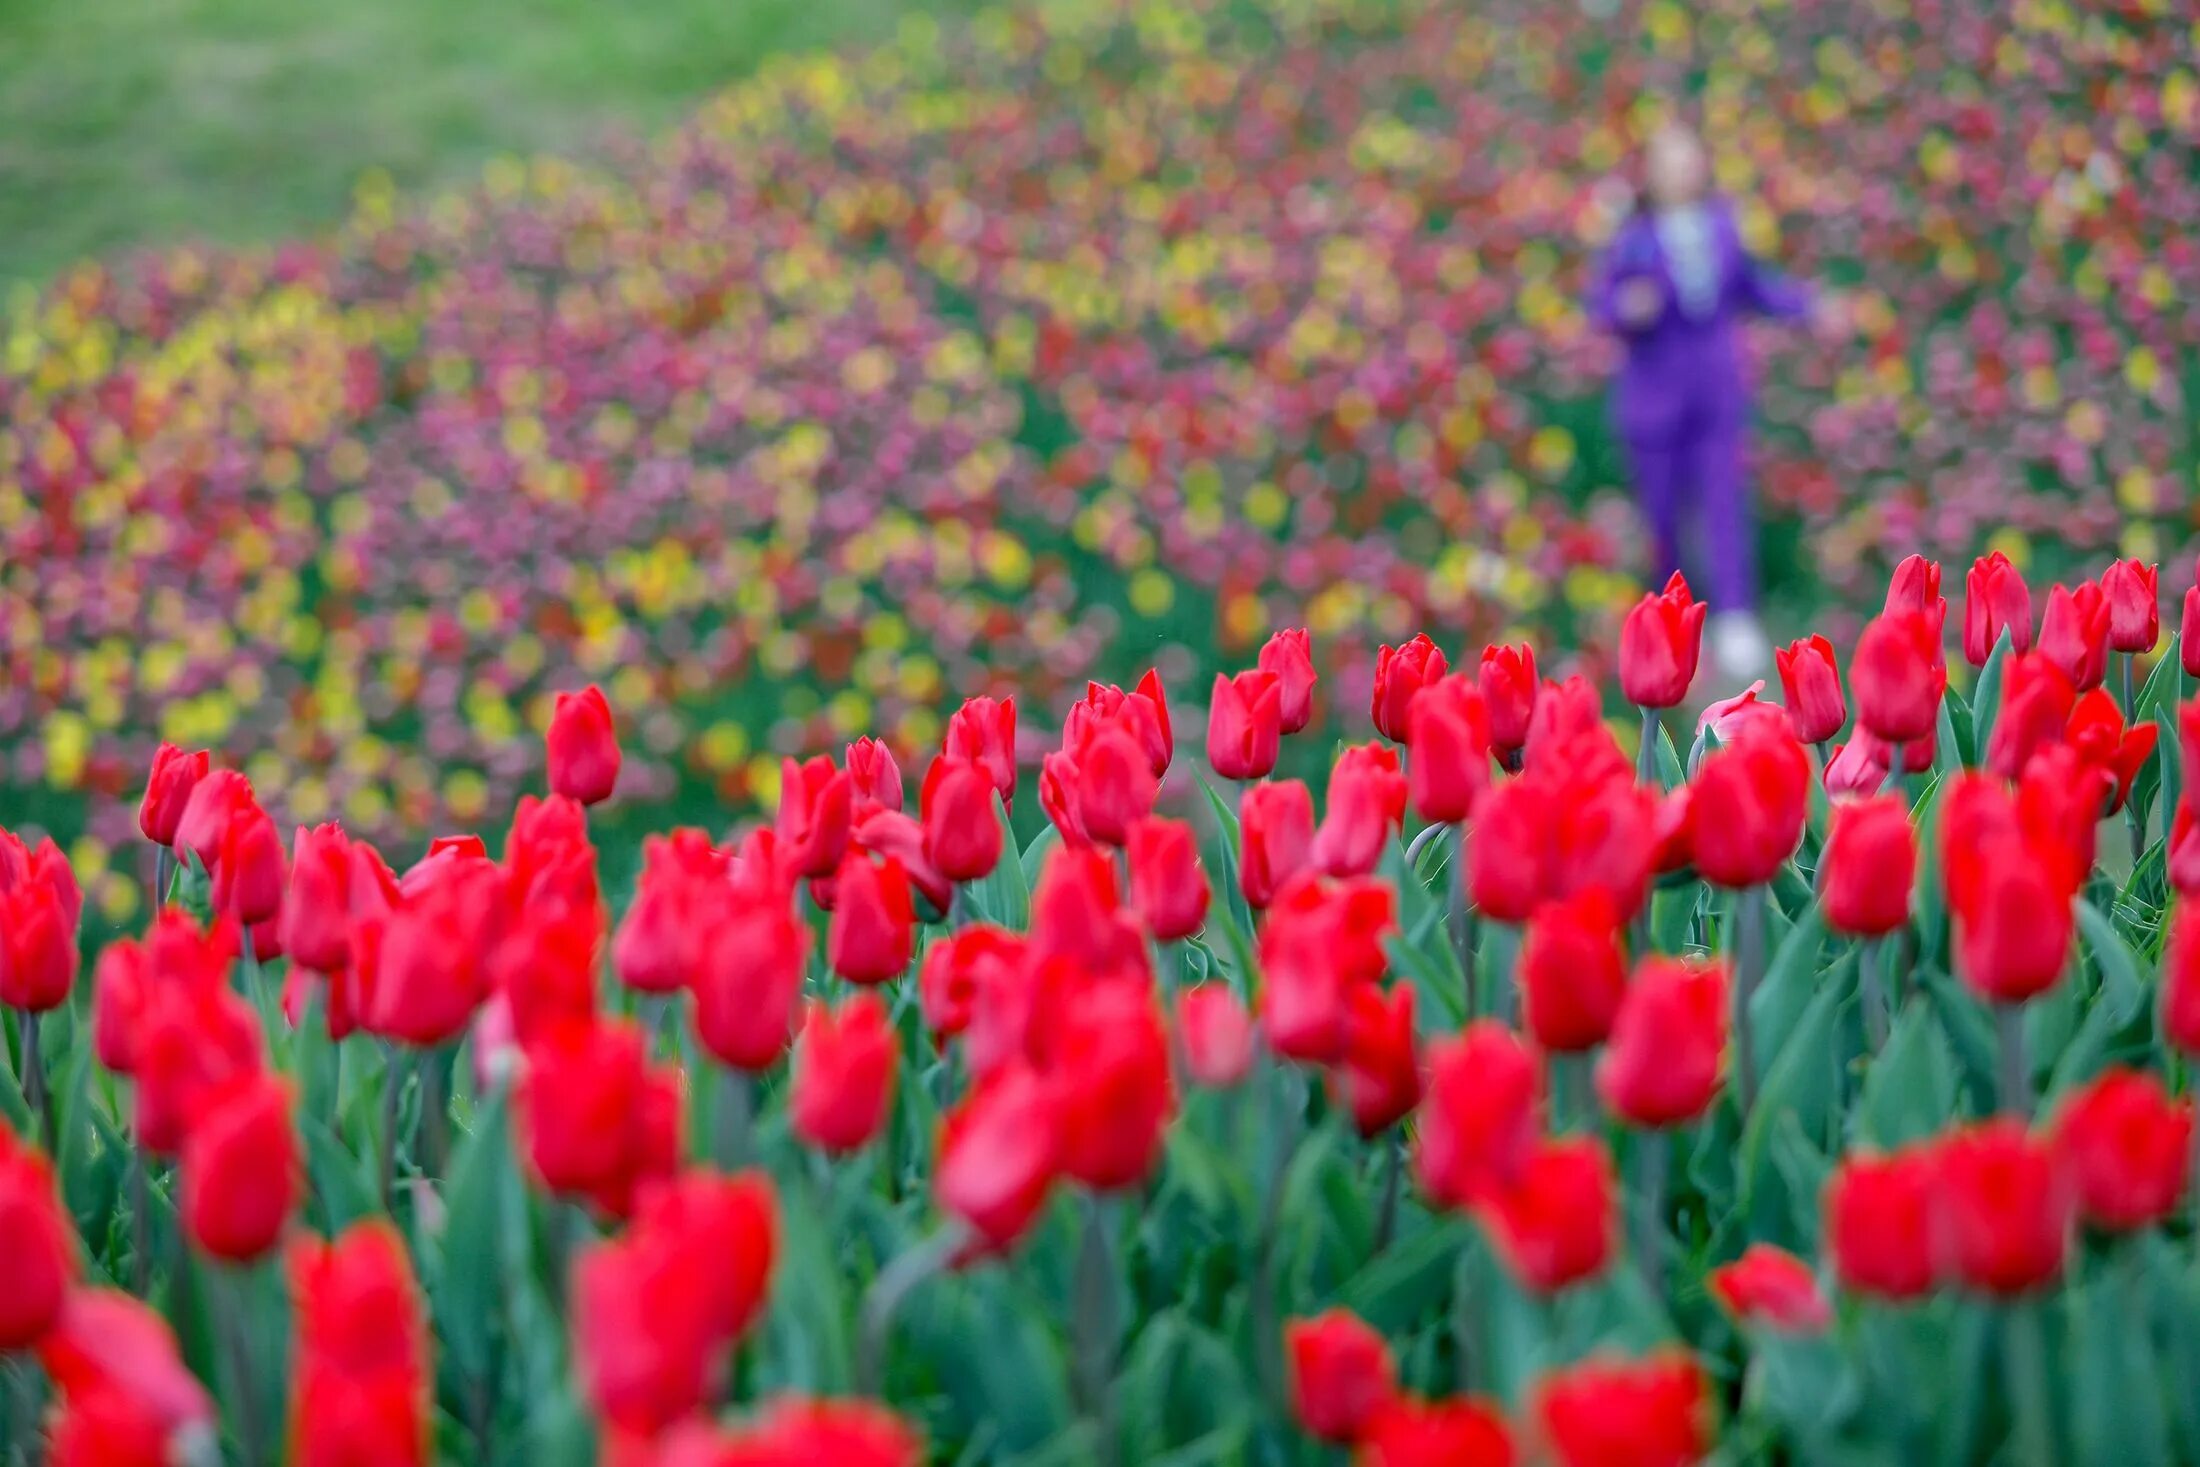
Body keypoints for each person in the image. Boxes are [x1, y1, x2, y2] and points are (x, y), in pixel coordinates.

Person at [1591, 122, 1819, 684]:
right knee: (1663, 514)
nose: (1680, 172)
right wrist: (1627, 307)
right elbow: (1602, 305)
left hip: (1716, 387)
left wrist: (1807, 305)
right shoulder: (1632, 237)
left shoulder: (1722, 225)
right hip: (1654, 396)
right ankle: (1668, 626)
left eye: (1687, 160)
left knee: (1724, 501)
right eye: (1668, 162)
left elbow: (1751, 287)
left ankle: (1736, 617)